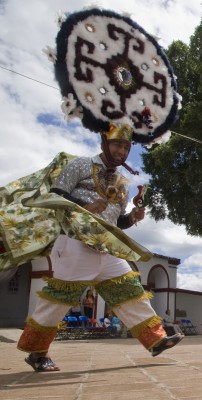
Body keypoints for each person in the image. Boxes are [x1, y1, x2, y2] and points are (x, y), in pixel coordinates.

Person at [17, 126, 183, 372]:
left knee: (130, 290)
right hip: (74, 243)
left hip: (106, 247)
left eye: (127, 147)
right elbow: (54, 197)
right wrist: (85, 207)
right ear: (104, 142)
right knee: (58, 301)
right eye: (117, 144)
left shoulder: (123, 183)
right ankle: (37, 353)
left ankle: (155, 339)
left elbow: (117, 222)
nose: (122, 151)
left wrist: (132, 218)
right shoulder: (79, 165)